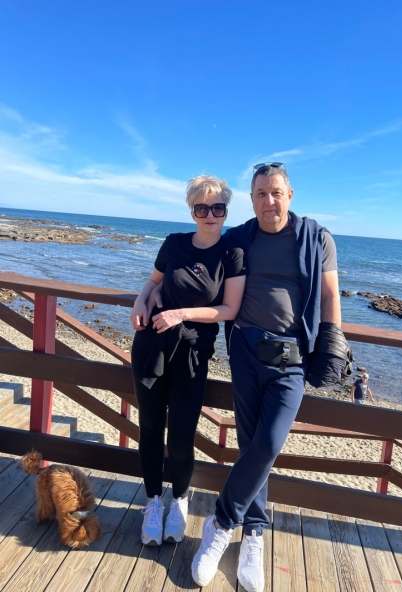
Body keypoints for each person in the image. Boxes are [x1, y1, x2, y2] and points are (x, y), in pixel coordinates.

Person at [190, 163, 343, 592]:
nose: (269, 201)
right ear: (252, 199)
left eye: (276, 192)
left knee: (269, 442)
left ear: (290, 195)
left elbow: (330, 294)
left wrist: (331, 342)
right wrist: (153, 292)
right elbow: (200, 261)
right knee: (250, 443)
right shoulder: (240, 237)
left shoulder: (316, 238)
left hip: (291, 358)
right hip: (244, 351)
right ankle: (254, 532)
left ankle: (221, 523)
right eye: (260, 193)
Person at [130, 175, 246, 547]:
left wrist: (180, 313)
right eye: (201, 207)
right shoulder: (174, 243)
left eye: (217, 208)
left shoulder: (232, 252)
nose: (210, 214)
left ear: (226, 210)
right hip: (151, 344)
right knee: (150, 427)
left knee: (181, 437)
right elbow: (153, 281)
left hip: (193, 354)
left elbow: (229, 309)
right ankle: (152, 501)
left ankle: (179, 500)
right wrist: (141, 300)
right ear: (191, 210)